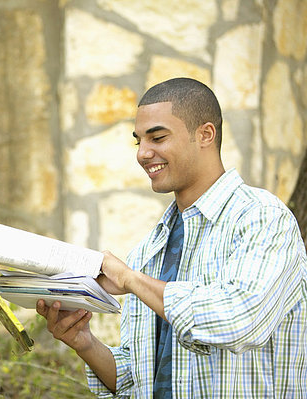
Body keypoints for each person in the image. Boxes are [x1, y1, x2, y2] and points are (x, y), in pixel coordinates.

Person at [36, 77, 307, 398]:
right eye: (139, 141)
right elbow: (135, 378)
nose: (143, 153)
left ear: (205, 134)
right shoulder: (149, 250)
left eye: (158, 137)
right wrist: (85, 343)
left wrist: (131, 280)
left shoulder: (262, 218)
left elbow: (240, 320)